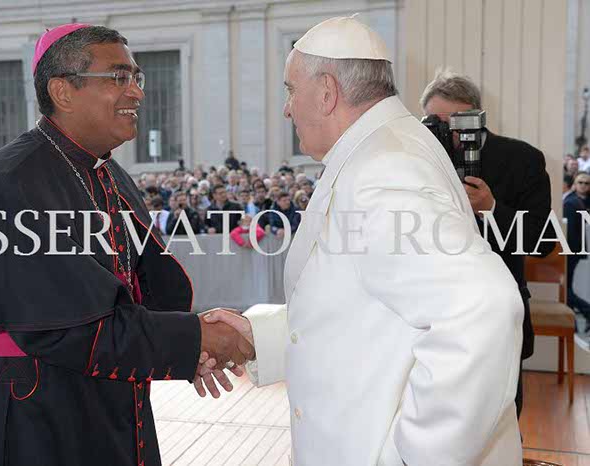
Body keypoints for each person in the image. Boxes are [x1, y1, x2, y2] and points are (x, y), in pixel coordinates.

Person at [200, 14, 523, 466]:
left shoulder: (384, 168)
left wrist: (416, 456)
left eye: (291, 90)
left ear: (327, 92)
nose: (287, 108)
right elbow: (359, 306)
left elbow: (483, 309)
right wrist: (261, 337)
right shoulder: (379, 148)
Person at [0, 24, 252, 466]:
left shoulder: (109, 173)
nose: (137, 92)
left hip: (102, 393)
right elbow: (68, 327)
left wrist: (191, 348)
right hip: (34, 411)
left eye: (136, 77)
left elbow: (139, 292)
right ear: (63, 92)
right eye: (119, 77)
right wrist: (195, 340)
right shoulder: (13, 181)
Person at [420, 69, 554, 418]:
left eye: (455, 122)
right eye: (435, 123)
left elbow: (543, 241)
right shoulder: (417, 164)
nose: (446, 133)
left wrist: (492, 209)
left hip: (497, 317)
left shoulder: (522, 159)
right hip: (429, 319)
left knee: (501, 422)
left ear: (477, 117)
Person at [563, 173, 590, 330]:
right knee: (567, 289)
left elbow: (571, 232)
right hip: (572, 251)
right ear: (574, 184)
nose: (583, 185)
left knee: (567, 290)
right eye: (581, 182)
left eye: (586, 183)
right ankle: (573, 324)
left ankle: (585, 312)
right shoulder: (573, 202)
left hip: (570, 252)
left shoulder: (573, 202)